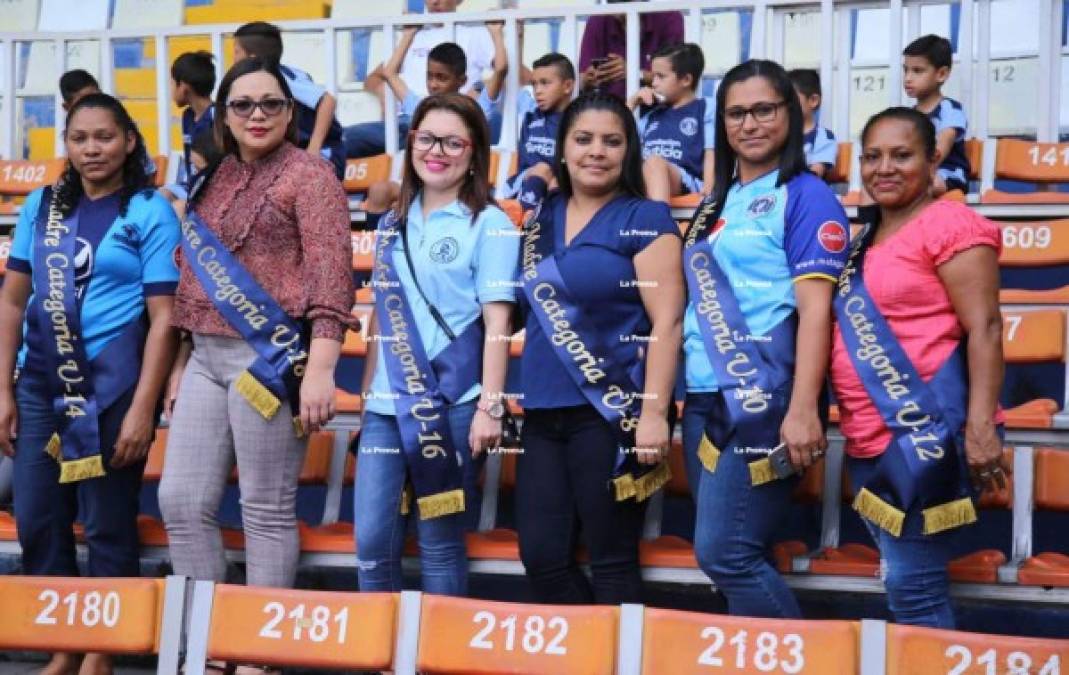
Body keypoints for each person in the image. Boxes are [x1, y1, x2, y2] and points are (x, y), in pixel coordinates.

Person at [158, 59, 355, 626]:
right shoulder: (213, 175)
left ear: (290, 112)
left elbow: (331, 276)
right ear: (223, 115)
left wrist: (320, 369)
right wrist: (179, 364)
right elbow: (194, 280)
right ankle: (209, 639)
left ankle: (260, 654)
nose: (257, 115)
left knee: (264, 509)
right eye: (242, 105)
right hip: (204, 358)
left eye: (271, 103)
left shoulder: (310, 175)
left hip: (268, 361)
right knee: (180, 501)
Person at [0, 93, 180, 675]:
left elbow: (165, 319)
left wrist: (142, 409)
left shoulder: (150, 209)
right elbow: (11, 299)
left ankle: (104, 646)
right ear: (68, 145)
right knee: (36, 515)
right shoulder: (41, 206)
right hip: (39, 383)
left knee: (106, 520)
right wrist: (2, 387)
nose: (92, 148)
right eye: (80, 138)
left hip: (114, 386)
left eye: (104, 136)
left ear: (129, 141)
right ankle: (65, 643)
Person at [682, 60, 850, 618]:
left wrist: (805, 409)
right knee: (736, 557)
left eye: (764, 109)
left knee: (725, 553)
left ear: (794, 114)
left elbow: (817, 310)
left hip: (767, 399)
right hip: (706, 400)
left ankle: (807, 659)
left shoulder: (808, 196)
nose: (749, 123)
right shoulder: (716, 200)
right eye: (736, 113)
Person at [830, 107, 1006, 628]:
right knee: (904, 584)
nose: (884, 167)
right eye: (872, 156)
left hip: (928, 433)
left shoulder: (950, 222)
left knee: (915, 589)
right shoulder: (862, 240)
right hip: (871, 437)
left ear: (932, 161)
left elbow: (987, 328)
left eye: (902, 155)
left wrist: (978, 428)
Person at [516, 92, 683, 605]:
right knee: (541, 559)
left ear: (628, 150)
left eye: (612, 141)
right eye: (583, 139)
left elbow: (668, 321)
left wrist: (655, 414)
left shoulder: (646, 218)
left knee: (611, 560)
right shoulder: (540, 219)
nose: (597, 151)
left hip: (613, 414)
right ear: (563, 149)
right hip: (542, 411)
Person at [354, 93, 518, 596]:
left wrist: (491, 407)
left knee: (440, 541)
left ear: (474, 151)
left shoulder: (491, 224)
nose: (437, 151)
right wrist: (365, 401)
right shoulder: (391, 223)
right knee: (371, 542)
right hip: (386, 403)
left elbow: (498, 324)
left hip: (456, 403)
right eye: (426, 139)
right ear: (411, 144)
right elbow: (384, 317)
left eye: (452, 141)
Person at [359, 34, 507, 221]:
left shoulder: (473, 110)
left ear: (462, 80)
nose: (433, 84)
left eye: (441, 78)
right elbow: (389, 73)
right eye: (429, 76)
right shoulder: (420, 107)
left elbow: (501, 69)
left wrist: (495, 32)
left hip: (458, 183)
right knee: (379, 191)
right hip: (421, 184)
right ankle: (376, 247)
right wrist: (408, 35)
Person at [348, 0, 496, 157]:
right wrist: (383, 90)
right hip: (406, 120)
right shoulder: (413, 34)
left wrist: (479, 87)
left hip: (452, 119)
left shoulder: (474, 33)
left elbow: (507, 73)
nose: (435, 2)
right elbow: (375, 78)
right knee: (345, 139)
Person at [233, 22, 346, 179]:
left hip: (323, 152)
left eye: (236, 52)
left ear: (252, 58)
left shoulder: (281, 77)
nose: (233, 58)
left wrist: (313, 149)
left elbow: (327, 100)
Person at [629, 43, 715, 202]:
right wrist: (632, 103)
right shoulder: (650, 117)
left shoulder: (705, 108)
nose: (653, 83)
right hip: (648, 178)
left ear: (686, 79)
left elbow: (712, 150)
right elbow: (621, 139)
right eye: (653, 76)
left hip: (685, 181)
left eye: (660, 76)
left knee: (654, 162)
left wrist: (709, 189)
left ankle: (660, 225)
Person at [498, 52, 575, 210]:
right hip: (523, 185)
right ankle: (527, 220)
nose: (537, 91)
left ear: (567, 86)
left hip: (563, 188)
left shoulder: (579, 120)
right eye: (534, 84)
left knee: (552, 177)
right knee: (542, 169)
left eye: (545, 83)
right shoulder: (531, 116)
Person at [903, 34, 970, 196]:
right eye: (906, 70)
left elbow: (941, 147)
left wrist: (915, 172)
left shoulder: (950, 109)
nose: (908, 78)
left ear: (941, 74)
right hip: (916, 175)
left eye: (917, 71)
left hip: (948, 175)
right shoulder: (909, 116)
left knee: (928, 186)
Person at [578, 0, 683, 101]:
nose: (623, 21)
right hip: (608, 109)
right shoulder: (598, 19)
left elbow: (676, 80)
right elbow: (582, 78)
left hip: (657, 109)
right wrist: (587, 79)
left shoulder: (669, 17)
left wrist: (634, 73)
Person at [161, 51, 216, 203]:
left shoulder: (217, 117)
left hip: (210, 191)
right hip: (190, 185)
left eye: (172, 83)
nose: (171, 89)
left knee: (178, 207)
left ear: (183, 87)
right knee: (157, 197)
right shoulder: (187, 116)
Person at [788, 68, 837, 179]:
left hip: (808, 190)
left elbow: (816, 173)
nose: (786, 105)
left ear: (813, 101)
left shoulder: (823, 136)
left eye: (791, 99)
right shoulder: (781, 134)